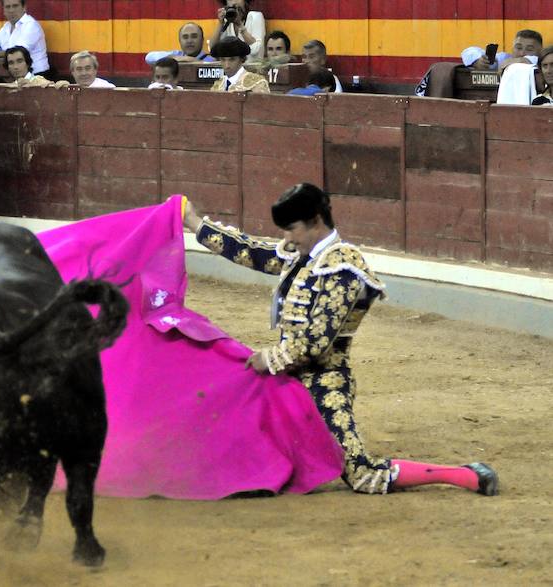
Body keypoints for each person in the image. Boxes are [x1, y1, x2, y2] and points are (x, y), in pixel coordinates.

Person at [182, 184, 499, 496]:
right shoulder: (301, 255)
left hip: (324, 382)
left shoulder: (345, 267)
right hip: (286, 378)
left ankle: (464, 475)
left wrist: (270, 359)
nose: (286, 238)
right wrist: (195, 222)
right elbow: (251, 251)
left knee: (361, 474)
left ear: (316, 221)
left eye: (292, 229)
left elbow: (317, 341)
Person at [0, 0, 50, 77]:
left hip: (37, 76)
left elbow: (18, 51)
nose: (11, 10)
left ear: (24, 8)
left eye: (15, 6)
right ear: (4, 10)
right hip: (14, 75)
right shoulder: (6, 27)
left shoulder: (31, 25)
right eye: (8, 7)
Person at [464, 30, 543, 71]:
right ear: (512, 48)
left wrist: (518, 61)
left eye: (529, 49)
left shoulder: (543, 63)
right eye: (518, 48)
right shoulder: (504, 58)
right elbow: (468, 52)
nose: (522, 53)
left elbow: (532, 60)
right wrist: (478, 60)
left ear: (540, 51)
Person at [144, 22, 215, 66]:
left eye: (194, 36)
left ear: (202, 40)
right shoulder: (177, 55)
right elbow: (149, 57)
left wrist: (195, 61)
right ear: (180, 41)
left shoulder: (211, 60)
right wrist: (178, 59)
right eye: (185, 37)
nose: (189, 41)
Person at [0, 45, 67, 88]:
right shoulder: (10, 87)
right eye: (11, 63)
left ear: (28, 63)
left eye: (19, 61)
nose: (15, 67)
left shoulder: (38, 81)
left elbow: (51, 87)